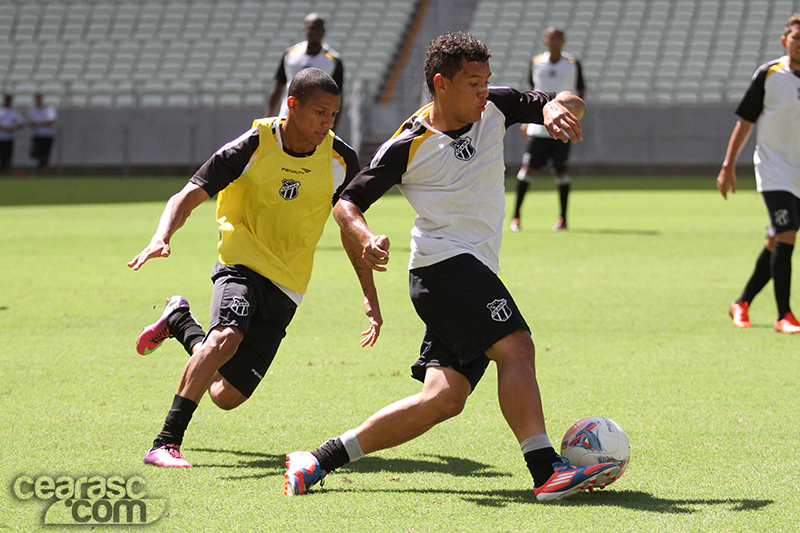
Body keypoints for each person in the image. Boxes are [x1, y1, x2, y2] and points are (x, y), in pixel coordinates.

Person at [284, 32, 620, 501]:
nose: (484, 90)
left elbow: (571, 99)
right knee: (517, 347)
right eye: (473, 82)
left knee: (443, 399)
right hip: (443, 269)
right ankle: (546, 471)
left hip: (469, 269)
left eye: (486, 80)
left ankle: (318, 459)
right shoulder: (408, 143)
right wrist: (365, 237)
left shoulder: (497, 106)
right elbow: (346, 204)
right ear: (441, 84)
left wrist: (553, 108)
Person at [128, 68, 380, 467]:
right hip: (241, 262)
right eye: (319, 112)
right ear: (292, 105)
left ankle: (179, 322)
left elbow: (348, 227)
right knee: (226, 337)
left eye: (333, 114)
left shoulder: (341, 159)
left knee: (226, 395)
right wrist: (162, 236)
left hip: (289, 282)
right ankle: (165, 442)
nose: (326, 122)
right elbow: (187, 195)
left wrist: (370, 296)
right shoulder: (251, 146)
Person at [717, 14, 800, 334]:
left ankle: (742, 302)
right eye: (795, 38)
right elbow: (745, 123)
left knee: (775, 241)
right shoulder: (769, 74)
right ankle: (785, 316)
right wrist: (728, 166)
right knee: (788, 233)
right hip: (773, 169)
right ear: (785, 41)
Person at [510, 27, 585, 232]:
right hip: (538, 127)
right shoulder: (536, 63)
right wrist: (526, 119)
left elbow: (580, 92)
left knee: (561, 171)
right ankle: (516, 217)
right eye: (552, 37)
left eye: (559, 38)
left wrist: (575, 116)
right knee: (527, 170)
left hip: (562, 128)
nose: (555, 41)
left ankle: (563, 219)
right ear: (545, 40)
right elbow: (530, 91)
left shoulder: (572, 64)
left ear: (564, 41)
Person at [266, 13, 343, 124]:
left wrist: (332, 126)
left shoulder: (333, 60)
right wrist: (268, 116)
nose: (315, 32)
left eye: (318, 28)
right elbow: (278, 88)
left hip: (316, 121)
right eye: (312, 28)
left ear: (324, 31)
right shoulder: (290, 55)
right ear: (305, 29)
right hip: (287, 115)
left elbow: (338, 97)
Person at [27, 93, 57, 171]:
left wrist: (38, 123)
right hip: (37, 134)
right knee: (36, 154)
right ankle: (41, 168)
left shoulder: (49, 109)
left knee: (46, 154)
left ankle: (44, 169)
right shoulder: (32, 110)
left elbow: (50, 121)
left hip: (47, 135)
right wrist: (42, 123)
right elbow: (31, 122)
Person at [0, 94, 26, 175]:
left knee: (7, 158)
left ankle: (5, 173)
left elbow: (21, 122)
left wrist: (14, 128)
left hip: (9, 138)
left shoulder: (13, 112)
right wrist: (5, 128)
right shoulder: (1, 110)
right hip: (1, 137)